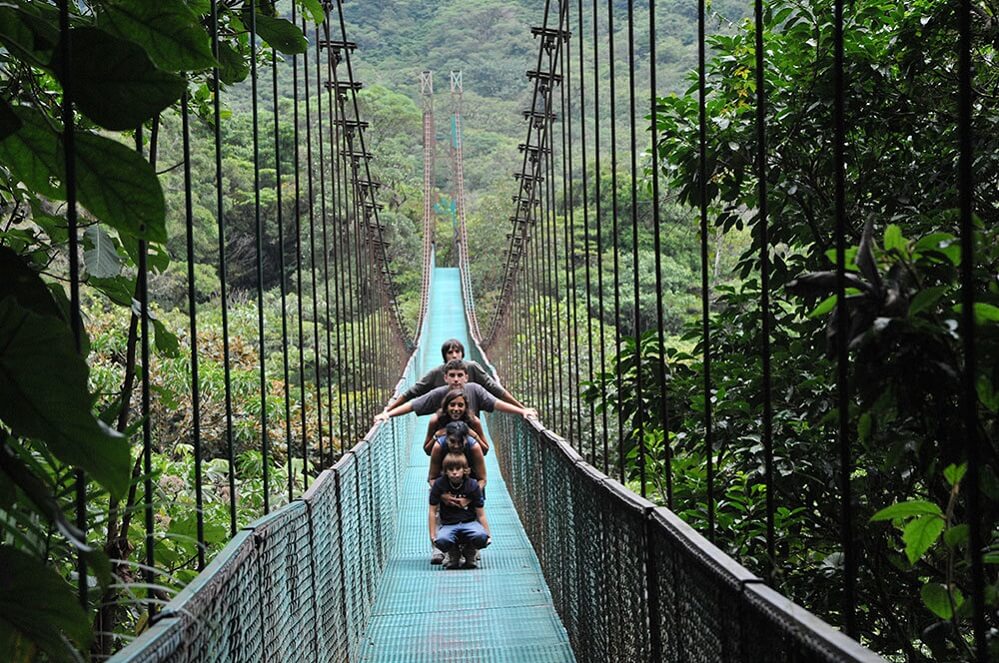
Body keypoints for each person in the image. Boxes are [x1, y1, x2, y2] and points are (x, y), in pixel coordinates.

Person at [374, 360, 537, 455]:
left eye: (460, 375)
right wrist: (388, 414)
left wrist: (522, 410)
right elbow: (412, 405)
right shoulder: (439, 393)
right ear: (445, 378)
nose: (456, 379)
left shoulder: (475, 389)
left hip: (469, 448)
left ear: (466, 376)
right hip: (446, 451)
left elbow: (496, 403)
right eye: (452, 375)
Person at [383, 338, 526, 412]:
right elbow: (412, 393)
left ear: (463, 354)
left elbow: (496, 390)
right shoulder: (436, 374)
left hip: (470, 421)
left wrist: (521, 409)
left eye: (457, 351)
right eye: (450, 352)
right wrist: (388, 411)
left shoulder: (472, 368)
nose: (454, 355)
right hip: (445, 425)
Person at [429, 452, 491, 569]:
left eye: (458, 469)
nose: (454, 472)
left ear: (465, 470)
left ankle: (469, 551)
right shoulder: (439, 484)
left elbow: (481, 513)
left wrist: (488, 534)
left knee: (481, 537)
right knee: (441, 540)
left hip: (469, 523)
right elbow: (432, 511)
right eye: (450, 469)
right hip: (449, 524)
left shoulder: (472, 485)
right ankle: (454, 553)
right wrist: (433, 535)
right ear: (445, 471)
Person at [428, 421, 486, 492]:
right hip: (444, 486)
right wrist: (444, 496)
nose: (456, 446)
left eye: (460, 442)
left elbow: (482, 479)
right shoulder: (438, 447)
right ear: (446, 438)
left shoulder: (474, 447)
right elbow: (432, 478)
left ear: (466, 439)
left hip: (470, 486)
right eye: (452, 441)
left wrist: (470, 496)